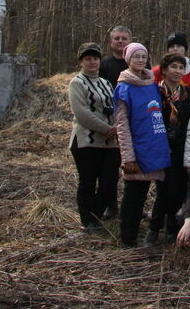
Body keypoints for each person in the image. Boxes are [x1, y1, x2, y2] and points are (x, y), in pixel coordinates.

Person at [114, 43, 171, 247]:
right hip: (137, 150)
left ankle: (150, 232)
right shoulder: (124, 88)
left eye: (143, 56)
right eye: (136, 56)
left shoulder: (152, 84)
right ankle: (128, 238)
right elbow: (122, 124)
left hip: (155, 147)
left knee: (151, 194)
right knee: (134, 197)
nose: (140, 60)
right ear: (128, 59)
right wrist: (128, 156)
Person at [144, 52, 190, 245]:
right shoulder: (155, 92)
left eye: (181, 67)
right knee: (163, 189)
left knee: (179, 188)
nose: (177, 71)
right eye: (173, 67)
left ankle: (172, 227)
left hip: (181, 147)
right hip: (161, 146)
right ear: (165, 70)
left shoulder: (188, 94)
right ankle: (153, 228)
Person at [67, 41, 119, 232]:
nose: (92, 62)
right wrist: (105, 128)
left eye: (95, 58)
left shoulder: (106, 83)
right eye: (88, 59)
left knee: (109, 180)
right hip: (86, 141)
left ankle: (97, 214)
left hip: (109, 141)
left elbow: (115, 108)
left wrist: (116, 127)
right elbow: (81, 113)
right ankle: (88, 220)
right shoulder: (76, 83)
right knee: (88, 181)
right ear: (81, 61)